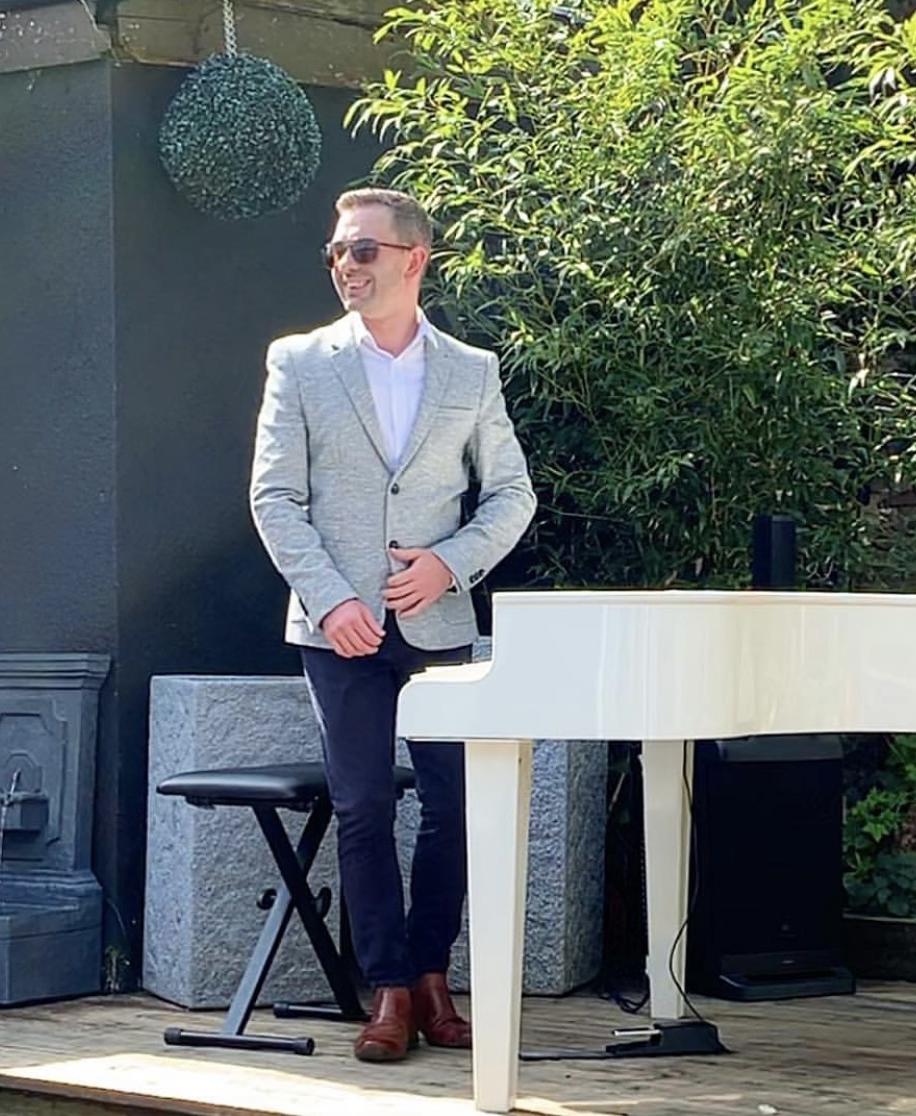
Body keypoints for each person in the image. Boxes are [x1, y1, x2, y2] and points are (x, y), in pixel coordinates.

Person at [249, 187, 536, 1062]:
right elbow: (273, 497)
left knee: (452, 808)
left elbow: (513, 493)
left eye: (364, 250)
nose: (346, 265)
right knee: (365, 808)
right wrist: (333, 598)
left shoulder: (470, 371)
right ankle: (386, 993)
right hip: (338, 629)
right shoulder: (300, 362)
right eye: (337, 252)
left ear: (415, 259)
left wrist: (450, 562)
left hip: (437, 621)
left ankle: (431, 979)